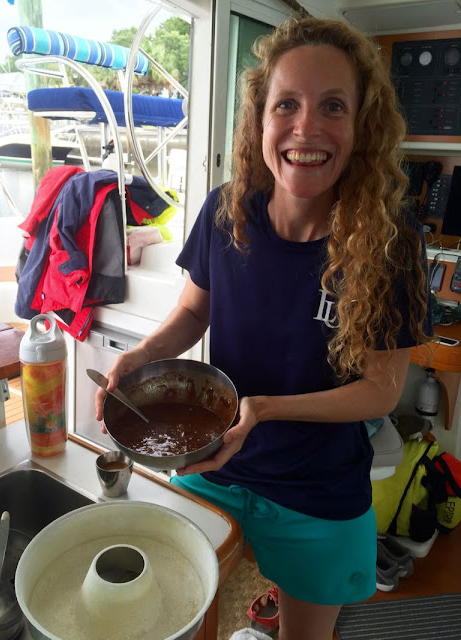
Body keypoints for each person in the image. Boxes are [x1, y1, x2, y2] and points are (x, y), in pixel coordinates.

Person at [95, 13, 432, 640]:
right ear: (260, 120)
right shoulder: (226, 213)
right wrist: (145, 352)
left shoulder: (392, 245)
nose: (307, 128)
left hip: (318, 488)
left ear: (361, 128)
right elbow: (195, 310)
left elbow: (382, 392)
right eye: (287, 105)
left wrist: (266, 410)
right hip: (214, 465)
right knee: (181, 614)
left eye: (333, 106)